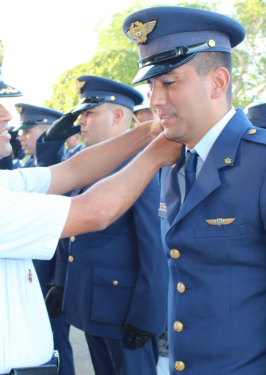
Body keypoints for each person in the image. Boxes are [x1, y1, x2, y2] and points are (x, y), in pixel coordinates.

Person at [0, 38, 181, 375]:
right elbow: (94, 212)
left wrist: (151, 131)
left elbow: (71, 171)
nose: (6, 116)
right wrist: (158, 151)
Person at [122, 6, 266, 374]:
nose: (155, 100)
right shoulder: (175, 163)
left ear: (217, 81)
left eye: (169, 83)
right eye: (151, 85)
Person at [39, 75, 168, 375]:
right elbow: (64, 217)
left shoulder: (141, 162)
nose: (81, 121)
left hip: (124, 311)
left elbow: (154, 246)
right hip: (91, 303)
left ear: (119, 116)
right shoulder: (87, 161)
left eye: (89, 113)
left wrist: (147, 314)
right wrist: (61, 280)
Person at [16, 103, 77, 375]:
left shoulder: (63, 169)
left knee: (56, 349)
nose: (22, 136)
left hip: (50, 278)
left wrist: (59, 281)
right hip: (32, 276)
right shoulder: (28, 166)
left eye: (28, 130)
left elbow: (65, 232)